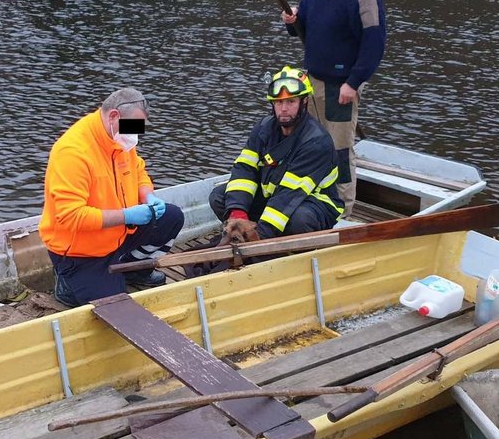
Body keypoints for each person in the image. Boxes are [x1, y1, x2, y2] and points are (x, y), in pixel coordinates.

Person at [39, 88, 184, 307]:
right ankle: (67, 284)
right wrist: (127, 216)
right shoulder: (73, 152)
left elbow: (138, 171)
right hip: (81, 252)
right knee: (115, 306)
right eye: (133, 127)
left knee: (172, 217)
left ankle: (134, 271)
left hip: (117, 235)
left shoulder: (120, 139)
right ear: (113, 116)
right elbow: (71, 217)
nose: (135, 134)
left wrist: (148, 196)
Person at [282, 0, 386, 217]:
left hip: (341, 87)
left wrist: (353, 83)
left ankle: (343, 208)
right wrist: (291, 20)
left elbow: (374, 44)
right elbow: (302, 27)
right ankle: (315, 196)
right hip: (311, 82)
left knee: (339, 148)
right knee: (310, 142)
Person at [209, 67, 343, 243]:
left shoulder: (316, 142)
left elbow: (289, 194)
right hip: (274, 196)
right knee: (219, 197)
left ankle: (288, 249)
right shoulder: (263, 129)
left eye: (291, 102)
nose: (284, 109)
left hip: (313, 202)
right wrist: (238, 213)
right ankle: (248, 231)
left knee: (299, 220)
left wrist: (258, 238)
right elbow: (244, 170)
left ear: (304, 102)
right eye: (279, 103)